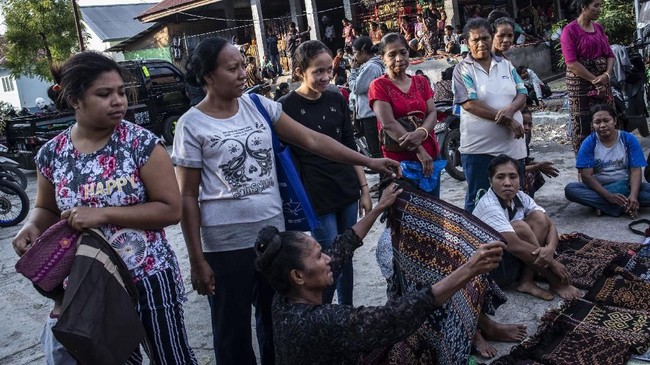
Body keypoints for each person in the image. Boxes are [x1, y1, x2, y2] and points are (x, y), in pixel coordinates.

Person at [172, 37, 400, 365]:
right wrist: (197, 260)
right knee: (232, 332)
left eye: (242, 65)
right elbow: (188, 196)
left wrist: (369, 162)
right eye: (232, 68)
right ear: (208, 76)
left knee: (275, 322)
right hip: (224, 247)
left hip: (273, 242)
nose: (242, 73)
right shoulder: (193, 124)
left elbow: (312, 139)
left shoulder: (259, 106)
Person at [12, 51, 197, 364]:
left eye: (121, 92)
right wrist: (31, 226)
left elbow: (170, 210)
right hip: (89, 280)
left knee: (171, 357)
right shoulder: (52, 154)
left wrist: (104, 214)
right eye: (104, 94)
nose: (118, 101)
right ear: (74, 100)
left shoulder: (141, 145)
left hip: (148, 275)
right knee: (115, 359)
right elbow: (46, 208)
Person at [255, 182, 508, 364]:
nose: (327, 259)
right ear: (298, 276)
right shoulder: (322, 322)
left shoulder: (284, 298)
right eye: (319, 256)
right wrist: (469, 269)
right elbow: (396, 316)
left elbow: (343, 246)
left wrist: (379, 208)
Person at [278, 40, 371, 305]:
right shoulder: (285, 107)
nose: (326, 77)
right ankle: (323, 313)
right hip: (316, 194)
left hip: (346, 189)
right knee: (327, 259)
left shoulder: (336, 98)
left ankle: (346, 310)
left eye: (329, 70)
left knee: (347, 254)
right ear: (300, 72)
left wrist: (363, 188)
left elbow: (348, 144)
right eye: (318, 71)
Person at [473, 154, 581, 302]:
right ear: (490, 181)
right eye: (500, 177)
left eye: (513, 177)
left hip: (514, 260)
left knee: (539, 218)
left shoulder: (520, 196)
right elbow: (515, 246)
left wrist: (550, 250)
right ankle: (553, 281)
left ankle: (526, 281)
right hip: (495, 270)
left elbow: (549, 224)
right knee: (520, 227)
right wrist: (552, 263)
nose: (507, 183)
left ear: (520, 179)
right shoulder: (489, 205)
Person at [452, 18, 527, 212]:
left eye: (485, 38)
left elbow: (522, 93)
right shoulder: (463, 69)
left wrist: (510, 110)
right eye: (475, 40)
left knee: (514, 199)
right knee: (478, 199)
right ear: (467, 43)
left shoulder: (506, 65)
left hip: (512, 146)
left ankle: (512, 240)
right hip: (479, 149)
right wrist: (508, 120)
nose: (481, 43)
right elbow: (469, 104)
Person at [369, 33, 439, 194]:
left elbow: (432, 113)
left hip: (429, 155)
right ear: (382, 59)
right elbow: (388, 123)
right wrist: (419, 150)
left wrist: (421, 132)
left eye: (403, 52)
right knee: (405, 213)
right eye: (392, 55)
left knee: (432, 212)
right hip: (399, 160)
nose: (399, 58)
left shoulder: (420, 82)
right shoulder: (379, 85)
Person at [565, 104, 650, 218]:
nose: (602, 125)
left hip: (627, 185)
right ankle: (624, 206)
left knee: (643, 191)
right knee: (571, 190)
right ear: (592, 125)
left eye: (606, 120)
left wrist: (634, 195)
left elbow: (635, 170)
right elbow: (586, 176)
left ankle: (604, 206)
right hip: (599, 189)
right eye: (597, 122)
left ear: (614, 121)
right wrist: (608, 196)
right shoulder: (589, 142)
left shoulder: (628, 139)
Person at [560, 0, 614, 154]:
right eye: (595, 5)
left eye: (600, 5)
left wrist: (607, 75)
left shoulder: (598, 28)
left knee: (606, 119)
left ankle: (609, 158)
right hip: (581, 85)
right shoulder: (569, 31)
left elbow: (610, 54)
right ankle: (585, 166)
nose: (599, 9)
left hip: (603, 82)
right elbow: (571, 62)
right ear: (583, 7)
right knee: (583, 124)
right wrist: (594, 80)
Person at [349, 36, 384, 159]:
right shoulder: (372, 66)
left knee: (377, 152)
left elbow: (356, 88)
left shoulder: (371, 67)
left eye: (355, 52)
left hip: (371, 115)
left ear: (363, 51)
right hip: (372, 113)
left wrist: (353, 71)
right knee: (377, 150)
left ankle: (386, 177)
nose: (354, 57)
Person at [521, 109, 558, 198]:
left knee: (535, 172)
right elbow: (514, 167)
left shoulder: (525, 139)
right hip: (511, 171)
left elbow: (524, 161)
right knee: (528, 174)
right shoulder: (509, 142)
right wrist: (537, 166)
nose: (527, 128)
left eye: (529, 124)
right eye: (523, 123)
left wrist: (541, 165)